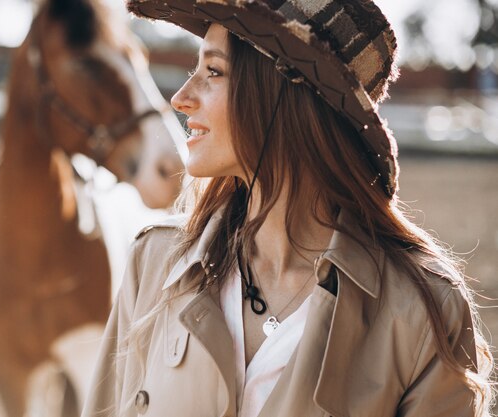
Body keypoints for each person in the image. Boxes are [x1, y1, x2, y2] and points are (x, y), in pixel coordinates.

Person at [82, 0, 494, 416]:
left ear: (282, 92)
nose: (181, 98)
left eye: (213, 72)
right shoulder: (152, 264)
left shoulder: (422, 313)